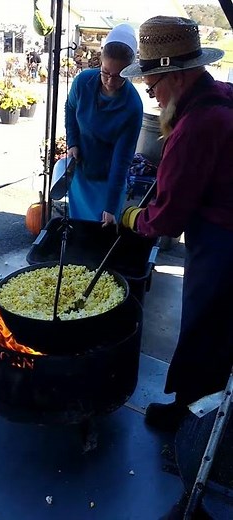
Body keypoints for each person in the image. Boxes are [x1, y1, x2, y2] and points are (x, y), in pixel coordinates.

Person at [120, 16, 233, 432]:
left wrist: (134, 218)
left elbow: (168, 218)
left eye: (153, 85)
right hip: (220, 229)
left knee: (205, 326)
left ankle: (190, 418)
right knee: (218, 329)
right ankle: (204, 411)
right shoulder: (222, 93)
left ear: (178, 76)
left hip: (222, 240)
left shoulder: (196, 127)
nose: (151, 95)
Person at [64, 24, 143, 226]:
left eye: (118, 77)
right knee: (78, 233)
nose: (109, 81)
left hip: (109, 181)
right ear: (100, 62)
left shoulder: (132, 106)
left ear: (130, 71)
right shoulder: (83, 82)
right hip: (81, 175)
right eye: (105, 72)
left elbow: (122, 160)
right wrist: (73, 142)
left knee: (101, 236)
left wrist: (111, 205)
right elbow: (70, 108)